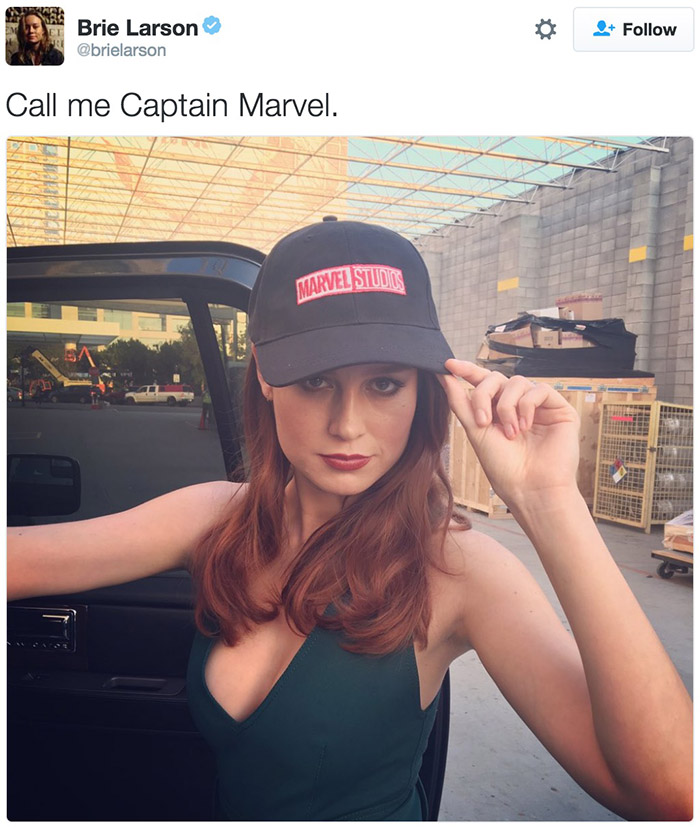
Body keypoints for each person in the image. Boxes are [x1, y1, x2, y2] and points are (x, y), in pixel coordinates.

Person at [7, 219, 692, 821]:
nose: (347, 424)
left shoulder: (459, 571)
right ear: (266, 378)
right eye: (316, 381)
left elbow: (670, 791)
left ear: (427, 389)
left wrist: (548, 499)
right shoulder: (216, 519)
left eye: (384, 383)